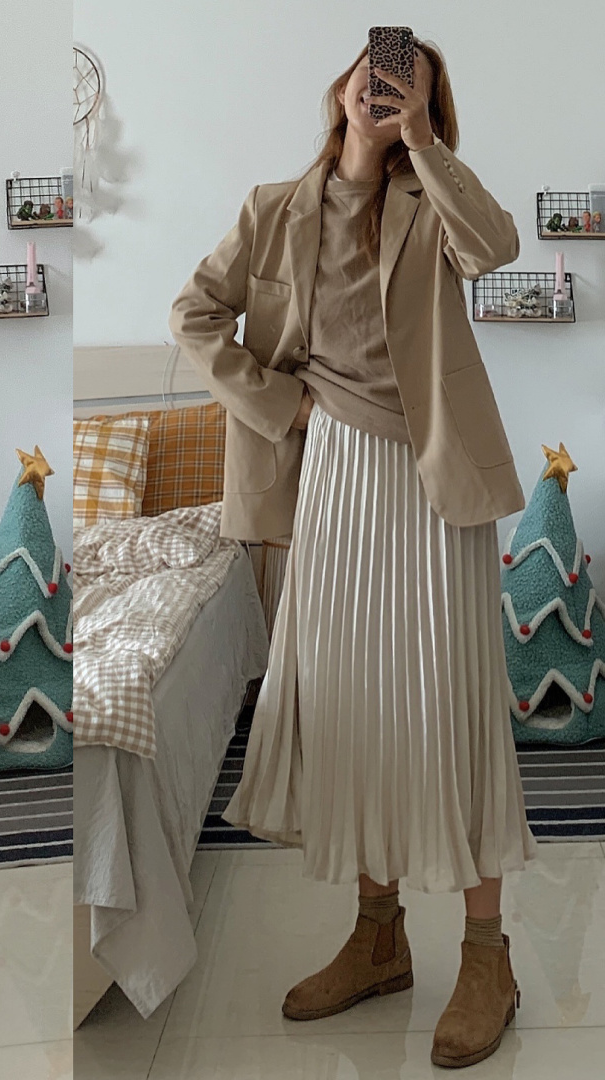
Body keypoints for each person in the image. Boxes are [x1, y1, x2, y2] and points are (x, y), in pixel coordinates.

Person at [169, 38, 535, 1071]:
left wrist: (422, 141)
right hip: (329, 470)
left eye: (408, 83)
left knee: (449, 703)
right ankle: (379, 937)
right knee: (352, 701)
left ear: (426, 106)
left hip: (434, 477)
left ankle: (487, 956)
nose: (383, 88)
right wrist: (281, 403)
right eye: (373, 74)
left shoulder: (434, 200)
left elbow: (496, 248)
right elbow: (194, 313)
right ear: (338, 88)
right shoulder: (272, 208)